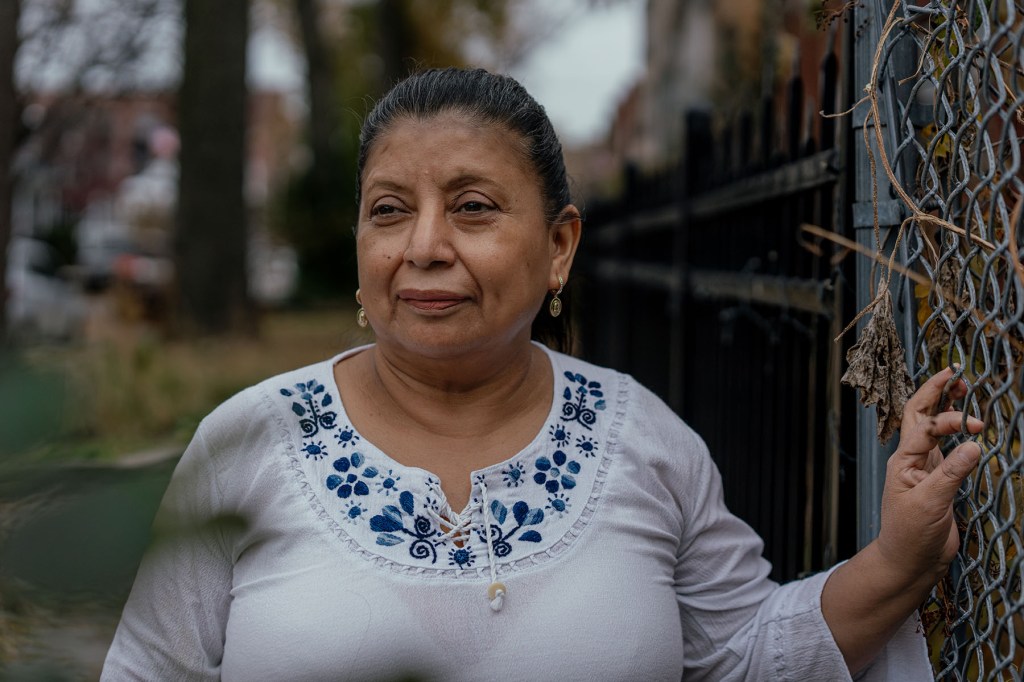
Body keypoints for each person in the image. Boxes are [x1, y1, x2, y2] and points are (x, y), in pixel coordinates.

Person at [101, 67, 983, 681]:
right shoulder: (249, 441)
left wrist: (898, 558)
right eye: (389, 212)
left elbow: (744, 660)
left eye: (474, 208)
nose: (424, 247)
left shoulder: (639, 438)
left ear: (559, 247)